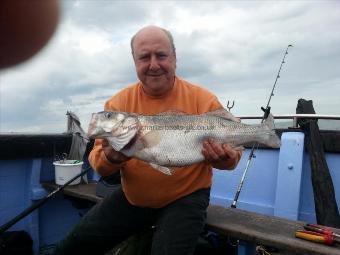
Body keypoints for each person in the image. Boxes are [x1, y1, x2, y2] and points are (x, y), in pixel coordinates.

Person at [53, 25, 242, 255]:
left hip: (186, 197)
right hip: (134, 197)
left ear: (174, 58)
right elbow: (100, 165)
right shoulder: (118, 104)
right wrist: (112, 159)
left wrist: (223, 159)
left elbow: (231, 161)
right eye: (144, 57)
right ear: (135, 62)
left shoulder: (203, 99)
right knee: (71, 247)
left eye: (161, 55)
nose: (153, 65)